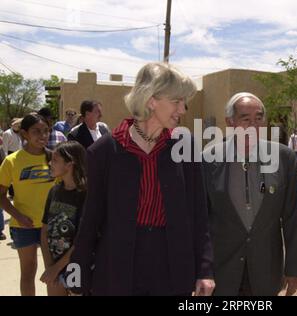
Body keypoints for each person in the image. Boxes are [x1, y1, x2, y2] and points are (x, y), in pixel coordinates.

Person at [69, 62, 214, 296]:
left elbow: (199, 214)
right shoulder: (104, 151)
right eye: (177, 101)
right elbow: (91, 216)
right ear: (151, 99)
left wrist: (205, 270)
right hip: (118, 269)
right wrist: (78, 276)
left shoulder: (185, 147)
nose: (183, 110)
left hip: (172, 268)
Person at [202, 92, 297, 296]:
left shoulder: (284, 158)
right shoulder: (207, 159)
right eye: (245, 119)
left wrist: (294, 269)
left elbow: (293, 218)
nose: (253, 126)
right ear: (229, 122)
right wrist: (201, 271)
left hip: (266, 272)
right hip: (222, 273)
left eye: (259, 118)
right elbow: (201, 222)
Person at [0, 114, 55, 296]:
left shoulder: (55, 158)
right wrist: (19, 216)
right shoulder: (12, 161)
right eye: (36, 131)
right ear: (24, 134)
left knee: (52, 272)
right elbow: (1, 195)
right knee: (29, 271)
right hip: (24, 226)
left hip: (51, 226)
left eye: (46, 131)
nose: (43, 135)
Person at [40, 141, 87, 296]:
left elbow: (83, 241)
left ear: (69, 164)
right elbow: (44, 230)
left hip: (76, 267)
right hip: (53, 264)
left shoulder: (85, 195)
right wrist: (49, 266)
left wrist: (56, 268)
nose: (49, 163)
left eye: (55, 160)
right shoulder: (54, 191)